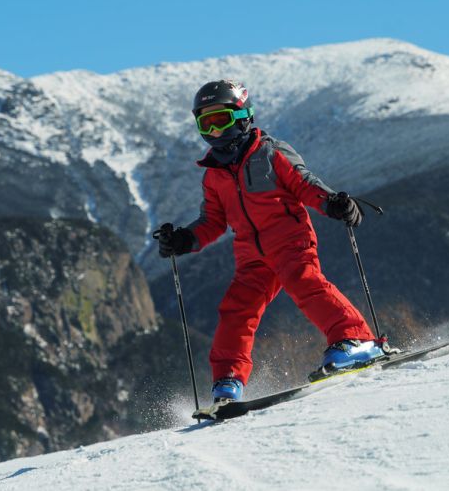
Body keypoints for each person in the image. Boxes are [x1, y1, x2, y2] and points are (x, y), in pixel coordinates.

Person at [158, 80, 383, 403]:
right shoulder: (213, 174)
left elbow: (305, 184)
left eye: (220, 119)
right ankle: (228, 380)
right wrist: (184, 240)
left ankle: (356, 340)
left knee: (304, 282)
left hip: (290, 241)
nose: (215, 130)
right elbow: (212, 221)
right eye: (206, 123)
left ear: (241, 115)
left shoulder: (271, 152)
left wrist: (332, 202)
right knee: (236, 310)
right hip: (251, 256)